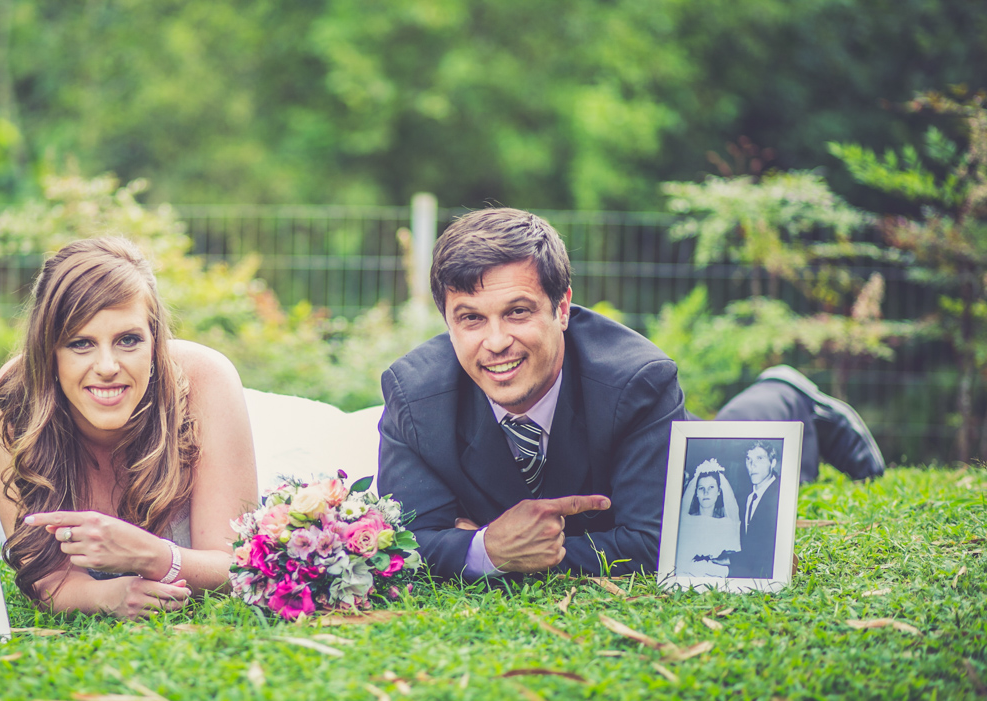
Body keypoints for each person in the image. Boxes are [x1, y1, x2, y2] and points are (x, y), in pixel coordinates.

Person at [377, 207, 885, 580]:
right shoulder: (413, 396)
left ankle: (788, 393)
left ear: (562, 308)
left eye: (518, 312)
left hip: (648, 434)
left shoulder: (639, 381)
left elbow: (658, 541)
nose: (495, 342)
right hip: (604, 504)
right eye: (471, 319)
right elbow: (401, 546)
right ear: (447, 323)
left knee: (739, 443)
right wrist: (487, 549)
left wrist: (496, 551)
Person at [0, 236, 258, 618]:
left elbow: (236, 566)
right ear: (49, 352)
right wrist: (111, 595)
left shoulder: (207, 380)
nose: (107, 367)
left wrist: (152, 556)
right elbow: (47, 581)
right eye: (80, 343)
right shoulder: (17, 396)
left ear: (155, 342)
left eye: (128, 340)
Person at [715, 441, 781, 579]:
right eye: (748, 459)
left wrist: (730, 560)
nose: (752, 465)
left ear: (773, 462)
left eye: (759, 458)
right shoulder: (746, 498)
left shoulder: (780, 495)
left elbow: (767, 548)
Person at [675, 459, 740, 578]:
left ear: (719, 491)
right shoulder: (685, 522)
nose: (706, 493)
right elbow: (678, 563)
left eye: (711, 487)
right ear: (696, 493)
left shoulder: (727, 524)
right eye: (701, 488)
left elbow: (730, 565)